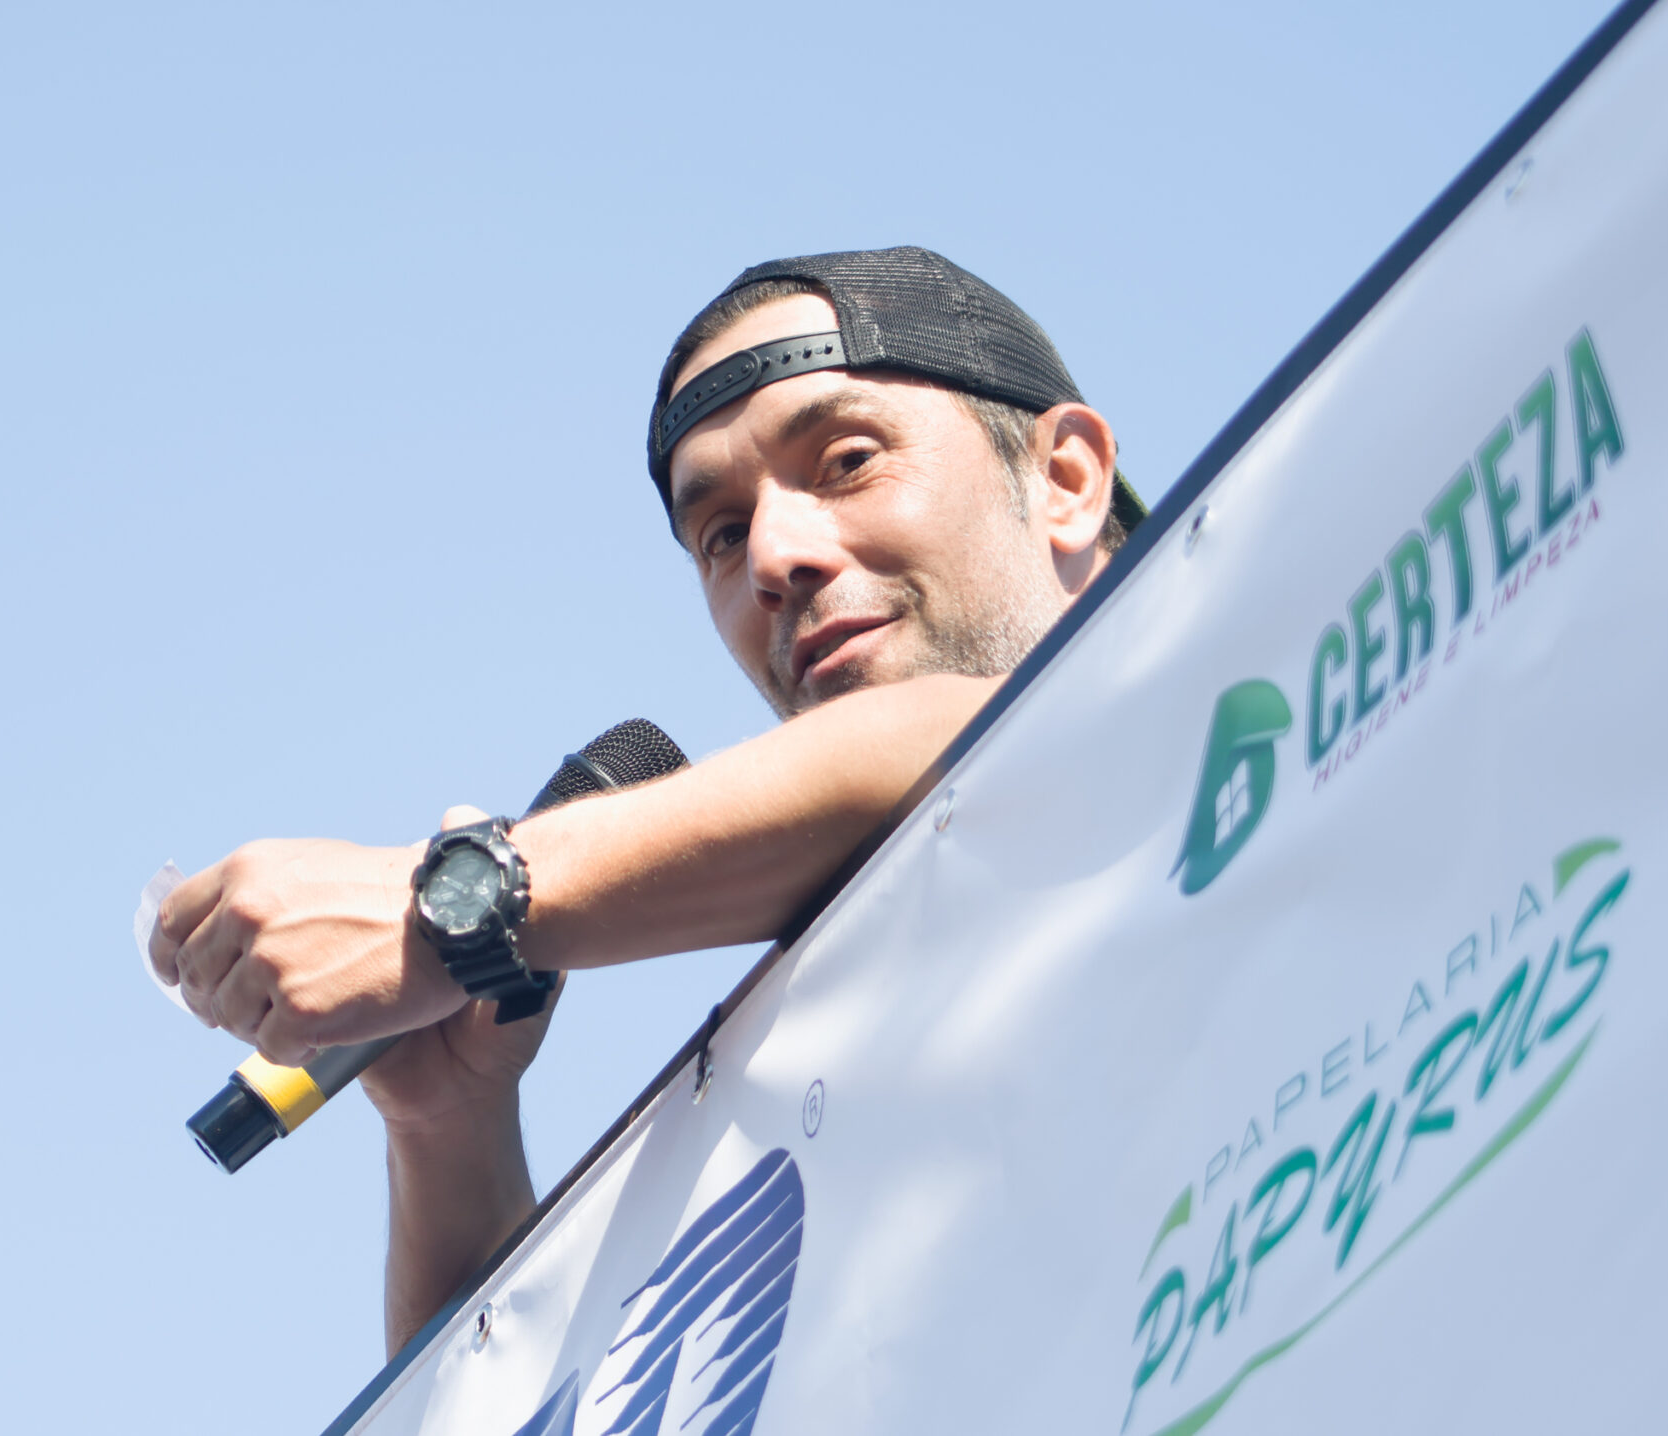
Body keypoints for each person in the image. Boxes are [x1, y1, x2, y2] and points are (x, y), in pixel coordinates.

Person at [148, 247, 1147, 1356]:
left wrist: (455, 905)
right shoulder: (815, 1061)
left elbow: (947, 738)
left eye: (847, 460)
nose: (773, 555)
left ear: (1065, 479)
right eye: (721, 533)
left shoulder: (1241, 673)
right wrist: (447, 1122)